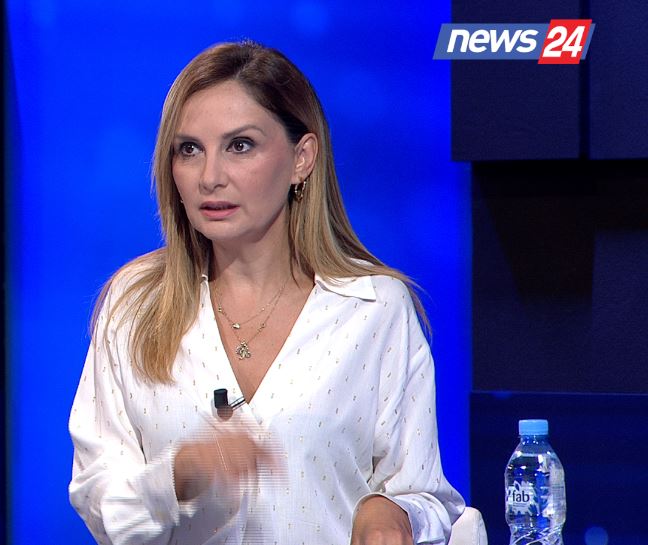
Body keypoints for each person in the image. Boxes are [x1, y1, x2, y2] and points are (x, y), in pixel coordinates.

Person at [69, 40, 465, 545]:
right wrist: (179, 476)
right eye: (189, 150)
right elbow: (98, 502)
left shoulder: (375, 308)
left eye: (240, 146)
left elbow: (428, 499)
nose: (210, 177)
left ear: (302, 158)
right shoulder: (135, 304)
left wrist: (393, 512)